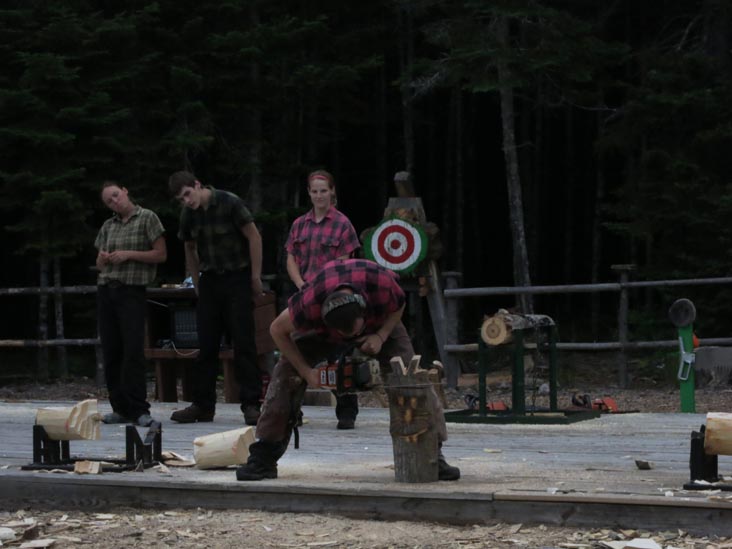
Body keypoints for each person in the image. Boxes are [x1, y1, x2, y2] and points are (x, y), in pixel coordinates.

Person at [235, 258, 460, 482]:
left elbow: (399, 304)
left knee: (409, 374)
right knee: (286, 375)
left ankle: (430, 455)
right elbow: (276, 330)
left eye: (352, 334)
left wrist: (381, 336)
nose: (348, 341)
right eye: (344, 336)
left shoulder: (380, 284)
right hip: (323, 331)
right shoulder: (309, 303)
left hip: (379, 325)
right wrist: (305, 371)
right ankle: (263, 456)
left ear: (364, 311)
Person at [168, 171, 264, 425]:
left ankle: (251, 404)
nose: (187, 201)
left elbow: (254, 236)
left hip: (237, 277)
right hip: (211, 279)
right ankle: (203, 405)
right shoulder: (189, 214)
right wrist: (197, 282)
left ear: (198, 185)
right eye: (181, 199)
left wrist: (255, 276)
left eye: (188, 194)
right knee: (206, 345)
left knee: (244, 343)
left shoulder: (229, 202)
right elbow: (188, 246)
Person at [285, 169, 361, 429]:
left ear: (332, 192)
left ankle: (347, 412)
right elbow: (291, 258)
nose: (319, 196)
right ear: (309, 193)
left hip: (333, 295)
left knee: (341, 355)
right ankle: (292, 411)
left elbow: (345, 262)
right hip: (304, 295)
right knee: (298, 352)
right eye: (315, 191)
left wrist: (322, 286)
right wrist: (299, 283)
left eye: (324, 191)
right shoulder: (299, 224)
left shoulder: (343, 224)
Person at [95, 181, 167, 427]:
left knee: (132, 351)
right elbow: (99, 263)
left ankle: (139, 409)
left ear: (125, 191)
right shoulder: (108, 225)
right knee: (112, 351)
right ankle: (120, 407)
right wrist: (104, 258)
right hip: (107, 290)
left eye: (116, 196)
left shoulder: (147, 218)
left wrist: (128, 254)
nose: (115, 202)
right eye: (109, 201)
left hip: (131, 291)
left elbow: (160, 254)